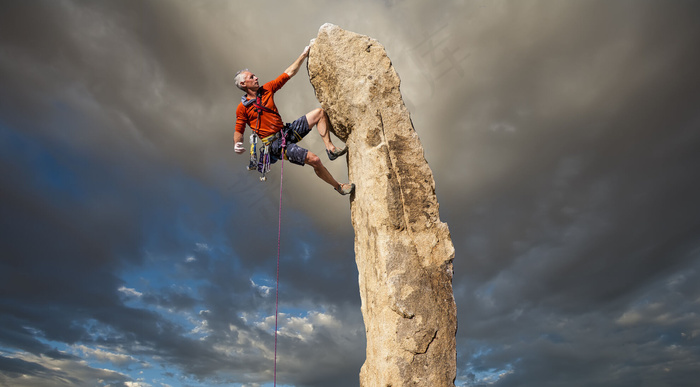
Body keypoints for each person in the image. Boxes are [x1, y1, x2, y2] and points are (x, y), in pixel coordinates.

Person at [233, 46, 355, 195]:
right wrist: (237, 143)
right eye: (251, 77)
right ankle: (339, 186)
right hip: (275, 145)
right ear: (243, 84)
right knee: (315, 160)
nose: (256, 78)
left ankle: (330, 148)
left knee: (319, 113)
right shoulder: (242, 108)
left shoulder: (267, 89)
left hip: (286, 132)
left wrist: (303, 55)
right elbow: (239, 130)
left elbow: (288, 73)